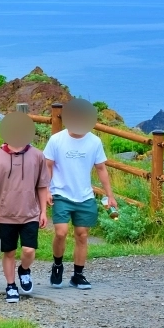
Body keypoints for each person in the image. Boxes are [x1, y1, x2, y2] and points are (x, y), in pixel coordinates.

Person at [44, 98, 117, 290]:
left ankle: (78, 275)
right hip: (60, 192)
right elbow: (48, 166)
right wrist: (45, 190)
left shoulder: (94, 142)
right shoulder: (56, 140)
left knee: (82, 235)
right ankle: (57, 266)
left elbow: (101, 169)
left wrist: (110, 195)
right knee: (61, 232)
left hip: (84, 195)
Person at [0, 112, 51, 303]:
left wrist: (44, 211)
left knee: (29, 250)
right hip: (5, 214)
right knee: (9, 252)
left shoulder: (37, 155)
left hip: (30, 213)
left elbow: (42, 185)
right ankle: (11, 286)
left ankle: (24, 270)